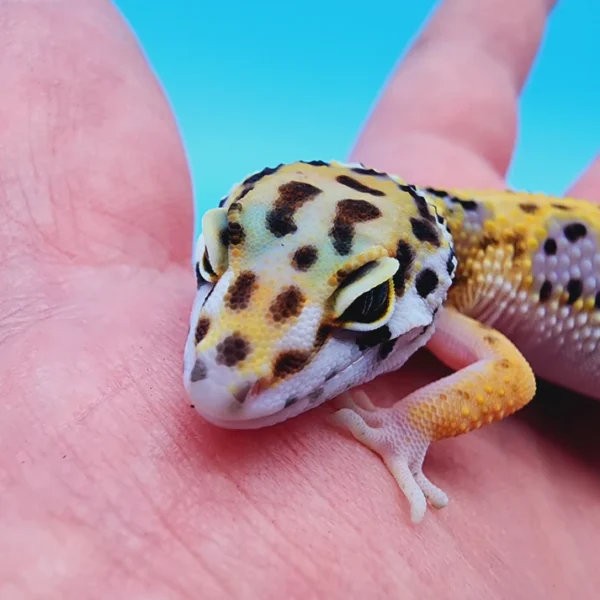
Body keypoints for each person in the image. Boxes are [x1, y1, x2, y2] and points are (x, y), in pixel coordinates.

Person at [2, 0, 598, 597]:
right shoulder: (393, 246)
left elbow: (510, 377)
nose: (226, 378)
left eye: (363, 305)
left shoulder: (450, 282)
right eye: (217, 259)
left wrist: (408, 424)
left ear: (431, 284)